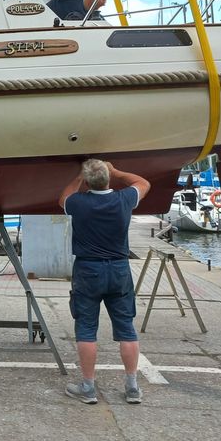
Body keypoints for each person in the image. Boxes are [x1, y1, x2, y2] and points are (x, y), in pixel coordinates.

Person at [59, 159, 151, 405]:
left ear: (88, 182)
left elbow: (63, 198)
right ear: (108, 179)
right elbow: (143, 183)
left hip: (88, 269)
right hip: (119, 269)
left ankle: (88, 387)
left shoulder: (79, 203)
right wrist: (116, 171)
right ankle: (132, 387)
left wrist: (80, 176)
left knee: (87, 329)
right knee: (126, 329)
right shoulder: (124, 199)